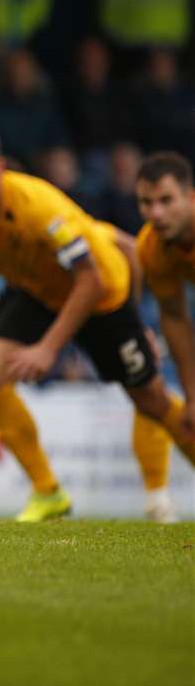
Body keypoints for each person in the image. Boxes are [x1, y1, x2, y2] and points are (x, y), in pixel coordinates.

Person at [0, 128, 195, 522]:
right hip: (41, 292)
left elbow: (94, 276)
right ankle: (48, 492)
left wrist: (49, 347)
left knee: (153, 401)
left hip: (101, 295)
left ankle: (157, 496)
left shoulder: (40, 208)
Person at [134, 152, 195, 516]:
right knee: (143, 379)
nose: (156, 214)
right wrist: (191, 396)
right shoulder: (152, 248)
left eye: (166, 201)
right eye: (146, 202)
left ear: (190, 196)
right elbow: (174, 317)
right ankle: (157, 499)